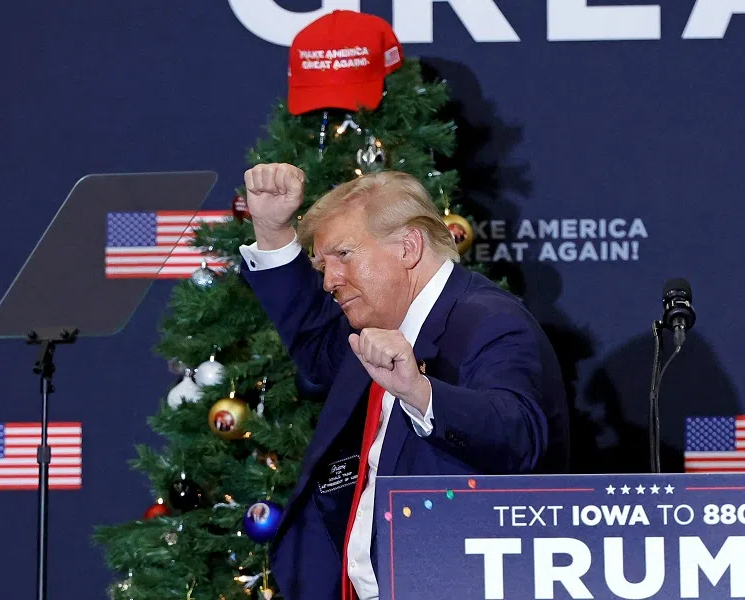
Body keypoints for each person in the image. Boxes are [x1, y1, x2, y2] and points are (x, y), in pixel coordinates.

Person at [238, 163, 569, 600]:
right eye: (322, 265)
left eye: (343, 255)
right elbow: (319, 351)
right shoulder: (382, 321)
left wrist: (420, 393)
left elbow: (519, 434)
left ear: (409, 247)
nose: (330, 281)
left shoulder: (489, 321)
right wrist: (272, 230)